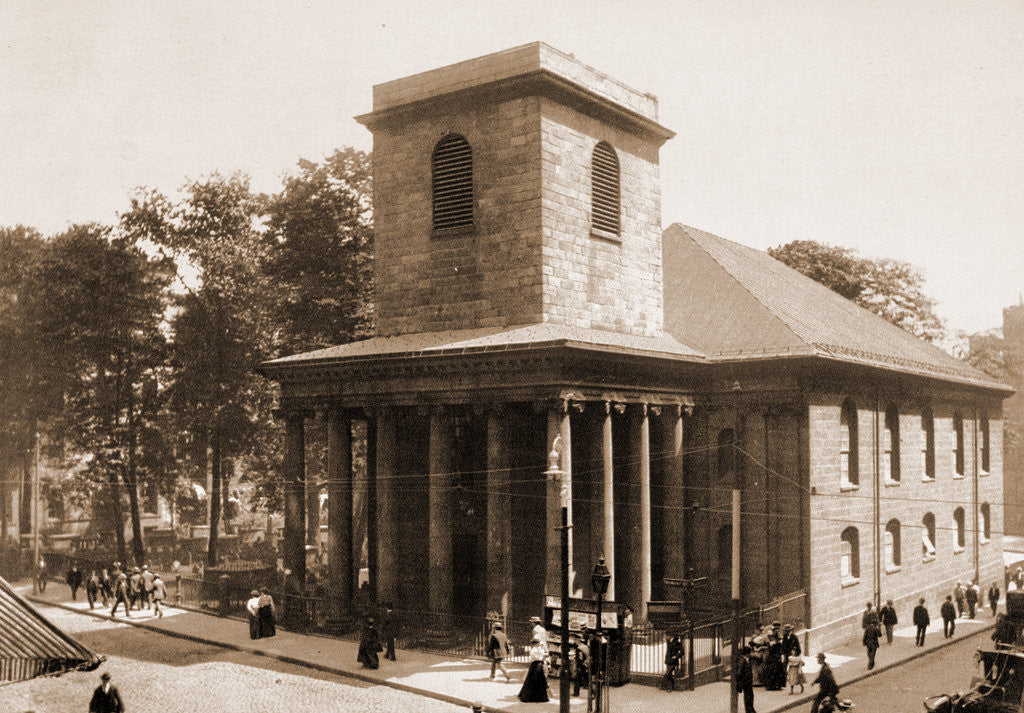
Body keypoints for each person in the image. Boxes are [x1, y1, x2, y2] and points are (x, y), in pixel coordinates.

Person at [518, 637, 551, 703]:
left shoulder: (537, 649)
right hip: (536, 665)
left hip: (536, 665)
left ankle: (532, 696)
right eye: (538, 643)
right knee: (537, 680)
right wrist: (543, 656)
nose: (539, 644)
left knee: (533, 680)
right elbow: (537, 657)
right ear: (535, 644)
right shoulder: (534, 650)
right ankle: (538, 697)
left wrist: (543, 655)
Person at [736, 645, 755, 713]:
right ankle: (749, 710)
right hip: (745, 682)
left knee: (750, 696)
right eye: (750, 653)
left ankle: (751, 709)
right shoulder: (742, 661)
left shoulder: (746, 660)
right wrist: (740, 683)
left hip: (748, 681)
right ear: (747, 654)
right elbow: (739, 672)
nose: (750, 655)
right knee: (748, 696)